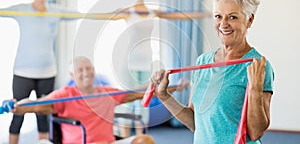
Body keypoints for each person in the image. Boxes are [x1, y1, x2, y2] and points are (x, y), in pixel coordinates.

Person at [150, 0, 274, 143]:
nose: (223, 24)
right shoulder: (202, 62)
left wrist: (256, 90)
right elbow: (195, 122)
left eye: (233, 17)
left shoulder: (258, 66)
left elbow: (256, 132)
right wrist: (163, 95)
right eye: (218, 16)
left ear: (249, 20)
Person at [106, 0, 211, 137]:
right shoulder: (128, 12)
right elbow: (106, 16)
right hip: (128, 63)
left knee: (144, 101)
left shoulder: (152, 12)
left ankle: (141, 139)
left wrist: (204, 14)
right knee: (126, 103)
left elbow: (177, 16)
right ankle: (125, 139)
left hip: (146, 62)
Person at [9, 56, 186, 144]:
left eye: (89, 68)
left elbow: (139, 93)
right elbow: (36, 106)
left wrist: (173, 87)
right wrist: (17, 107)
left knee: (145, 141)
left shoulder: (105, 93)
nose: (86, 73)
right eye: (80, 70)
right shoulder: (64, 94)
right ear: (72, 75)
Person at [0, 0, 87, 144]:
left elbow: (81, 14)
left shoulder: (55, 11)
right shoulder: (22, 10)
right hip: (23, 73)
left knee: (43, 116)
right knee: (17, 115)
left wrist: (113, 14)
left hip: (47, 73)